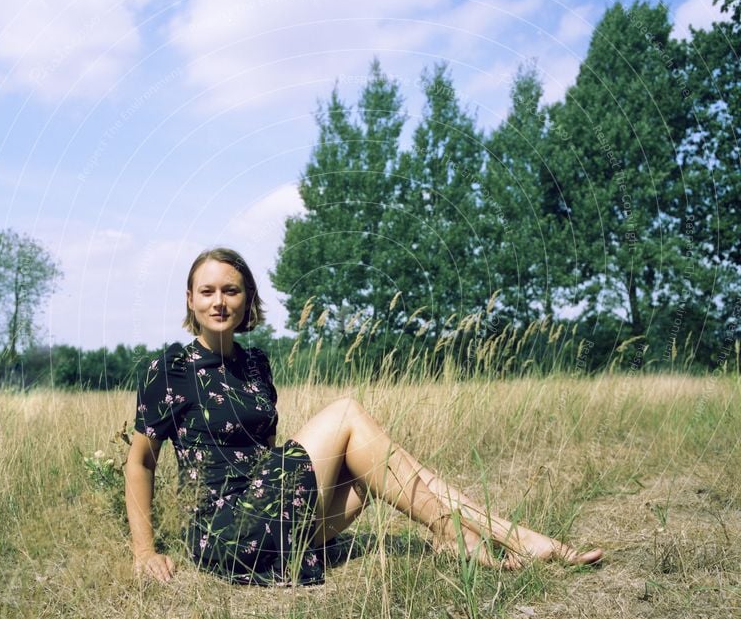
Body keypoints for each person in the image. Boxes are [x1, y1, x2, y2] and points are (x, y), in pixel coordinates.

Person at [125, 247, 603, 586]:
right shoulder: (170, 370)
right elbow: (141, 463)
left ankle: (465, 534)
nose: (219, 301)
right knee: (348, 414)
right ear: (190, 300)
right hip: (224, 529)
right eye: (206, 291)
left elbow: (262, 453)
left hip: (273, 514)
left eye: (231, 290)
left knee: (375, 471)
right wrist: (144, 552)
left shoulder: (256, 365)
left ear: (247, 299)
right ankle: (507, 538)